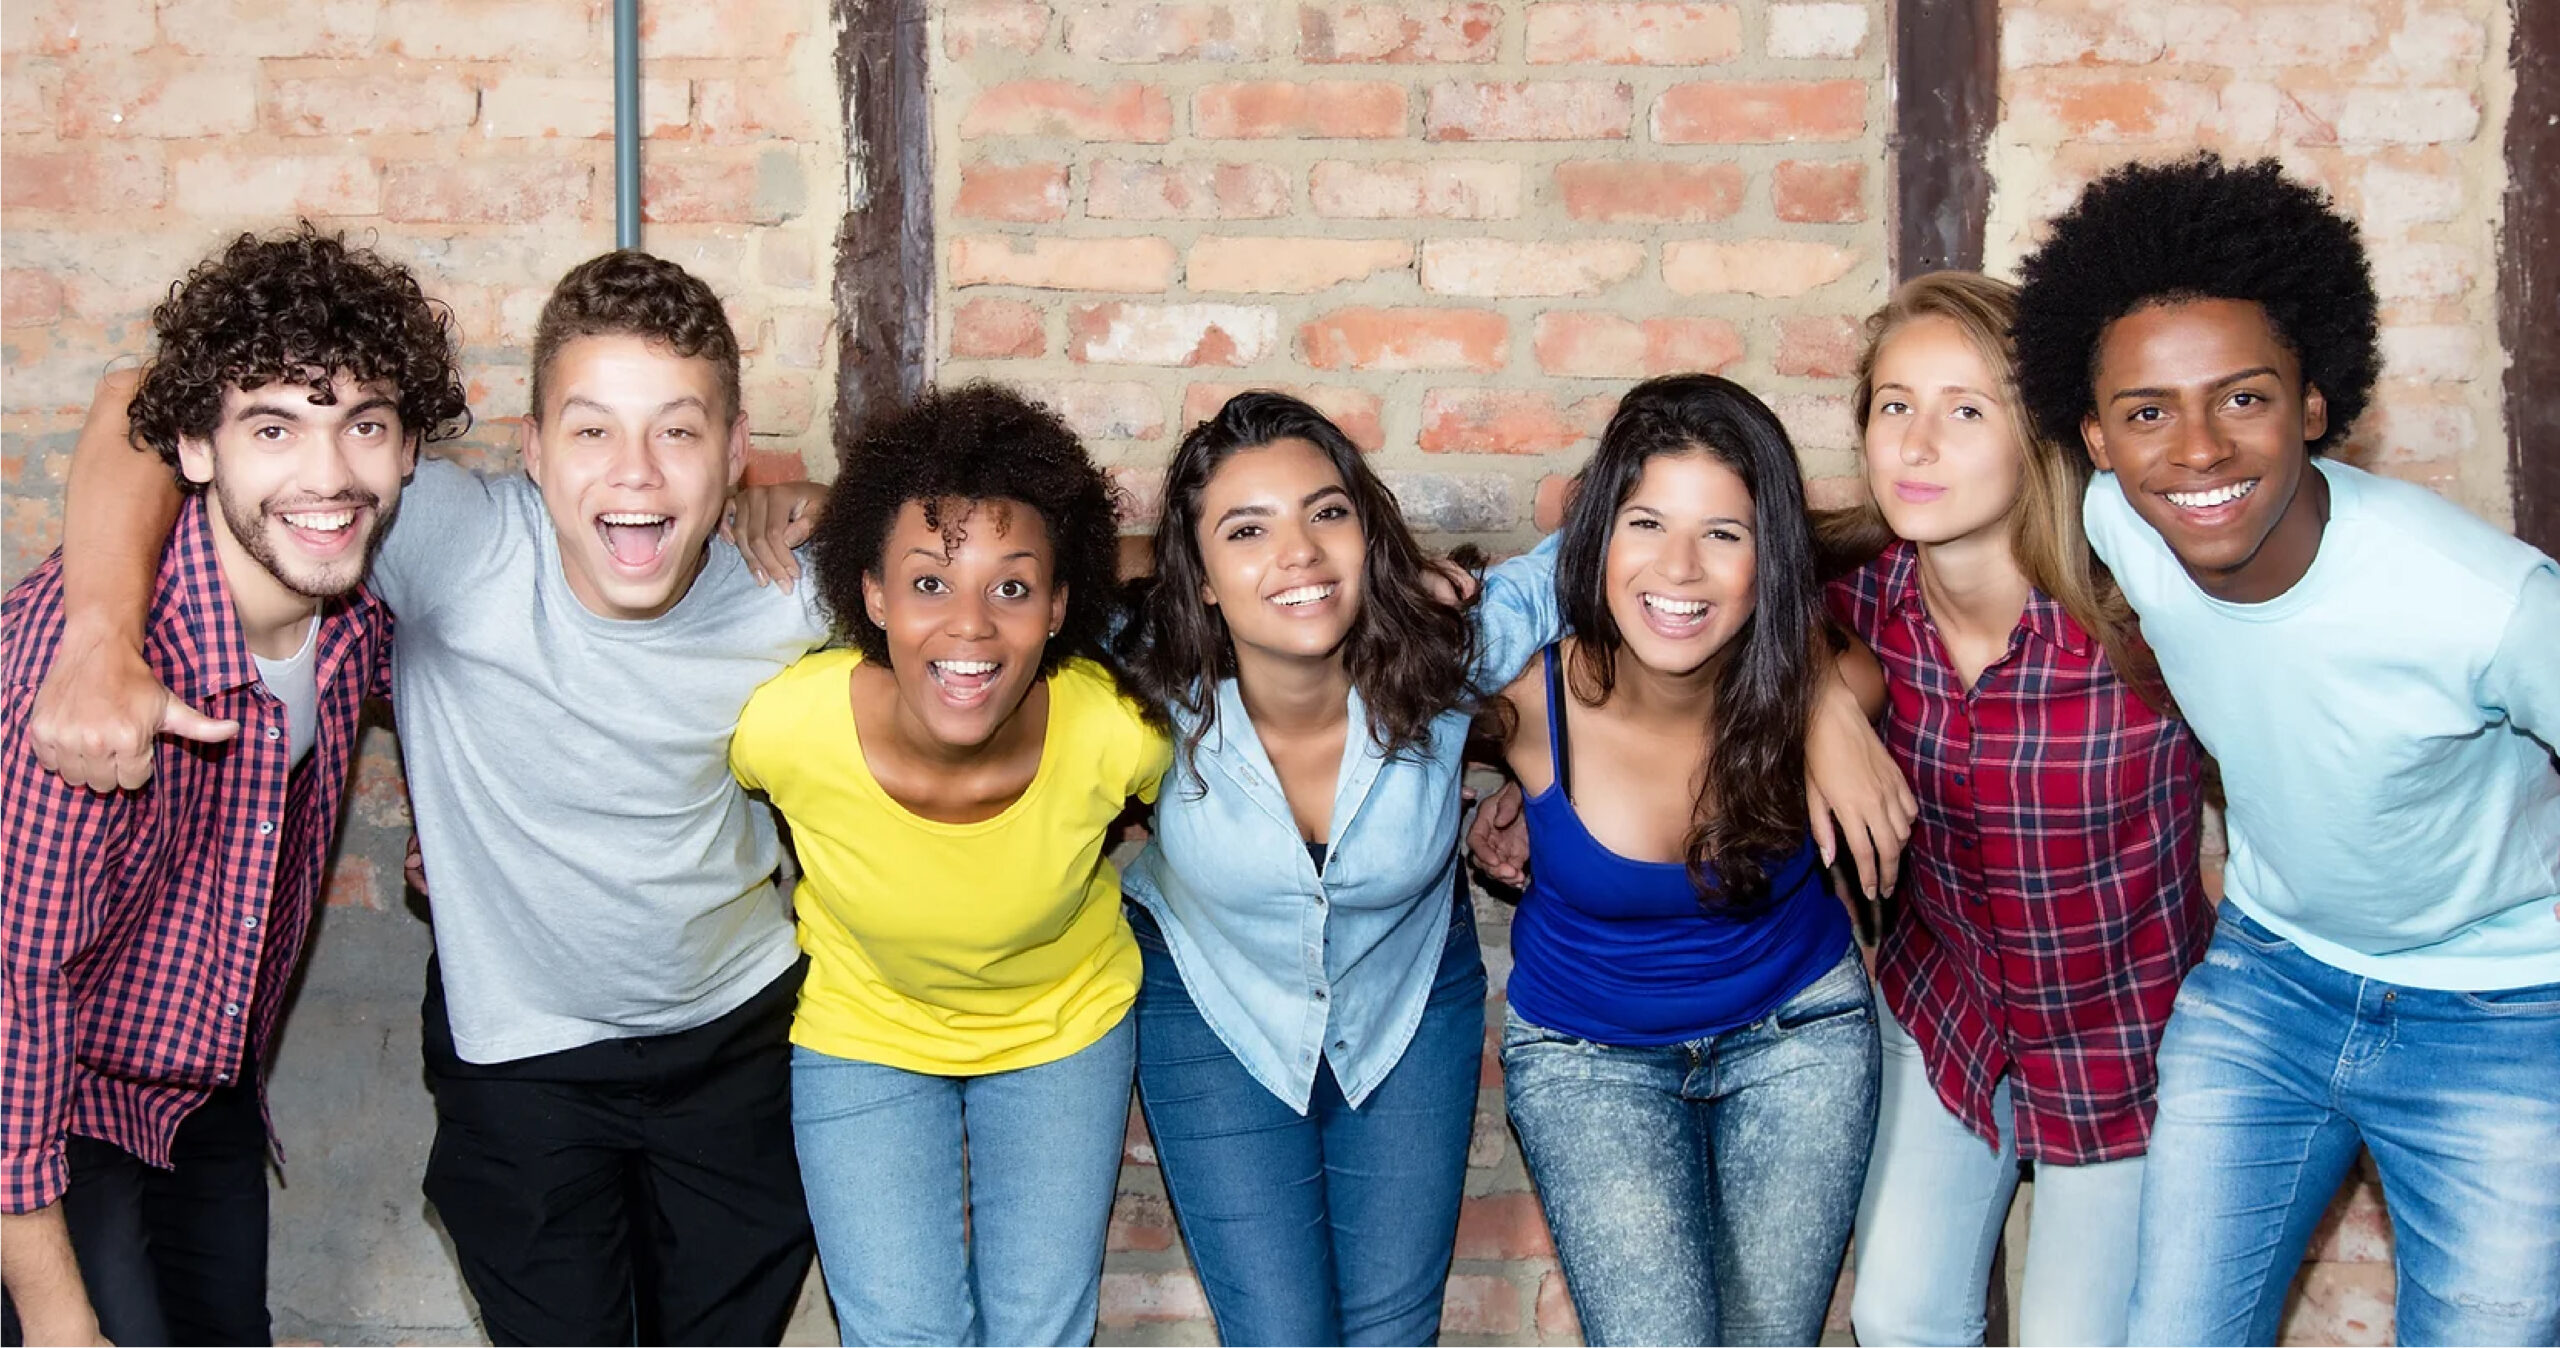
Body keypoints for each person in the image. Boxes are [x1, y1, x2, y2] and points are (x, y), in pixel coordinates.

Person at [28, 251, 827, 1346]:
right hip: (508, 1063)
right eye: (593, 430)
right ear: (532, 452)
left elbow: (979, 603)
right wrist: (98, 634)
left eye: (678, 432)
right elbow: (136, 398)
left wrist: (812, 502)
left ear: (733, 453)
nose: (636, 472)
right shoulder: (444, 538)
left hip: (734, 1033)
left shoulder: (790, 591)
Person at [2011, 151, 2560, 1346]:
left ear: (2314, 403)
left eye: (2243, 397)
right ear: (2095, 437)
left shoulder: (2483, 600)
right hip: (2270, 984)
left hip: (2506, 1013)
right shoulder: (2123, 523)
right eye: (2147, 412)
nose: (2196, 449)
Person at [0, 226, 467, 1347]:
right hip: (45, 1110)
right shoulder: (87, 694)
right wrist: (62, 1326)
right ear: (194, 450)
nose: (327, 474)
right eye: (274, 428)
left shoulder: (352, 612)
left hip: (200, 1082)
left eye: (364, 424)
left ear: (408, 451)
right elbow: (6, 1029)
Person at [1108, 392, 1557, 1344]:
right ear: (1201, 579)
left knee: (1393, 1332)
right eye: (1247, 530)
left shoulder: (1442, 656)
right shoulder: (1151, 685)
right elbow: (994, 579)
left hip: (1406, 1007)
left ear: (1368, 532)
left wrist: (1827, 702)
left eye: (1327, 513)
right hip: (1213, 1005)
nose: (1300, 552)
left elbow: (1611, 554)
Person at [1816, 272, 2210, 1347]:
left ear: (2036, 433)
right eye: (1893, 404)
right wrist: (1820, 699)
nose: (1917, 442)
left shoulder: (2143, 615)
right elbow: (1622, 522)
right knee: (1897, 1315)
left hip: (2121, 1039)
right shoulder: (1856, 594)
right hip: (1946, 1006)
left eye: (1964, 408)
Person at [725, 384, 1166, 1346]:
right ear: (872, 595)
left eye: (1011, 587)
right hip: (867, 1033)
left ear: (1058, 607)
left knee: (1039, 1333)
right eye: (929, 582)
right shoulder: (791, 727)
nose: (969, 625)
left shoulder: (1111, 730)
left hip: (1062, 1031)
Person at [1483, 374, 1881, 1346]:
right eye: (1645, 522)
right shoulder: (1524, 700)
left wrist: (1820, 699)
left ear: (1767, 559)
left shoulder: (1834, 687)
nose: (1679, 568)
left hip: (1801, 1037)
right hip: (1589, 1059)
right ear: (1596, 540)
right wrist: (1475, 810)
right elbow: (1354, 722)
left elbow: (1833, 656)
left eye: (1723, 533)